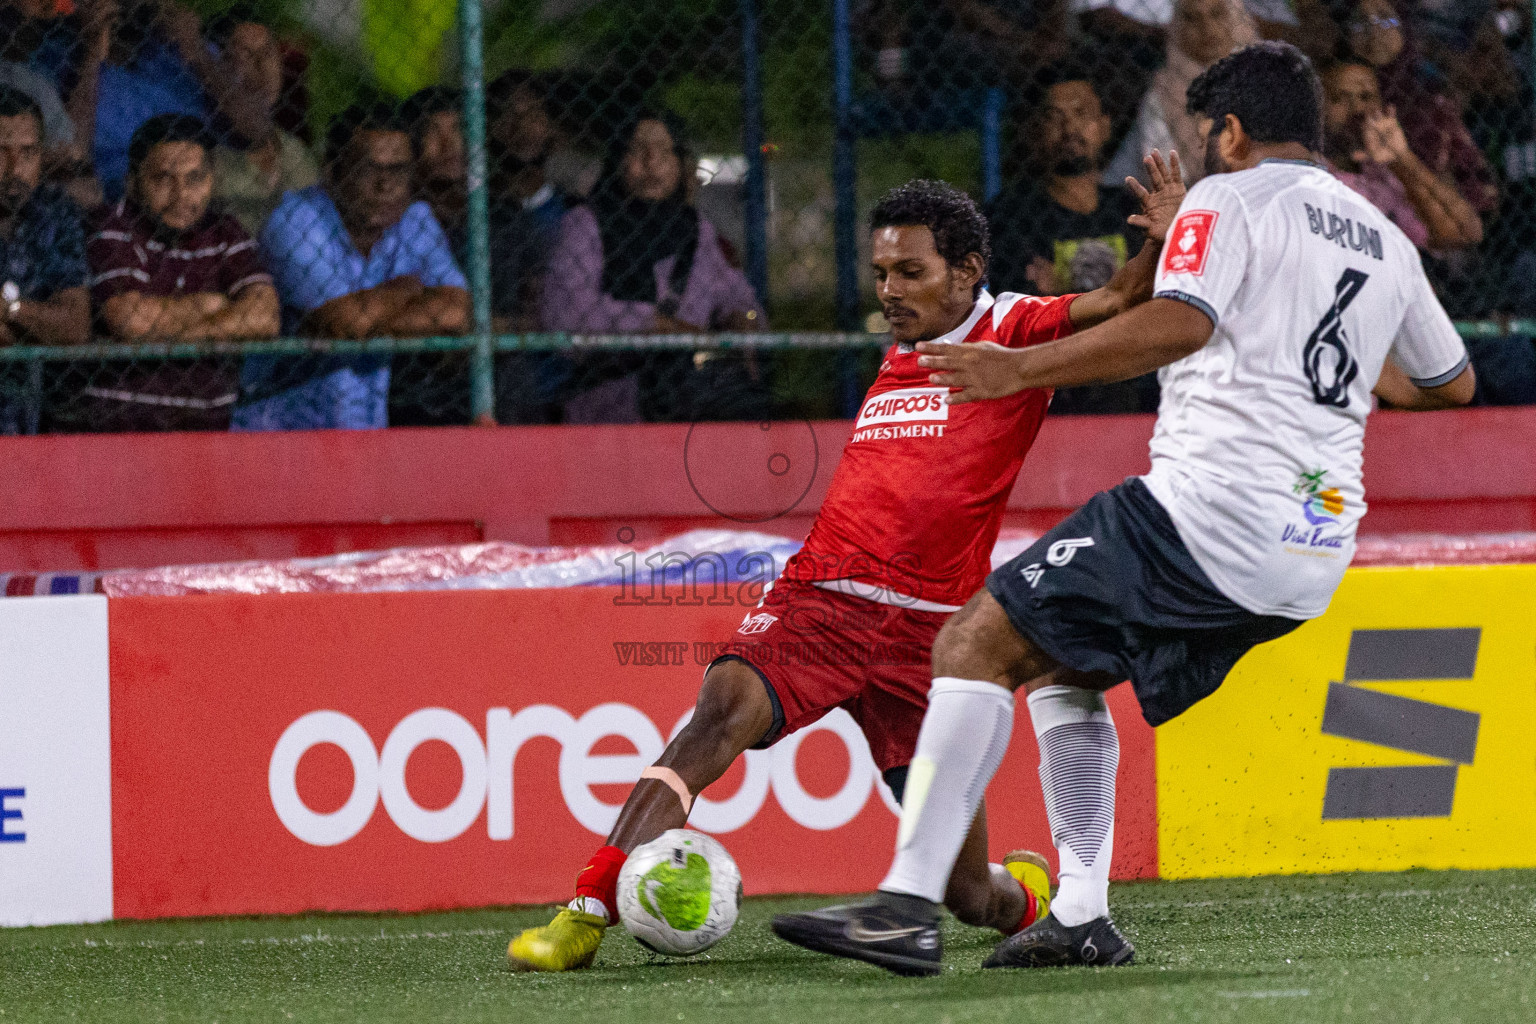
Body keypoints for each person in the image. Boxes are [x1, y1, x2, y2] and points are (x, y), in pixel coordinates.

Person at [773, 41, 1473, 975]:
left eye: (1202, 129)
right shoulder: (1381, 232)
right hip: (1312, 548)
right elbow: (1450, 381)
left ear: (1227, 132)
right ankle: (1081, 913)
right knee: (1060, 671)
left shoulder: (1227, 197)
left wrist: (1016, 368)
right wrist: (1325, 373)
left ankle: (904, 905)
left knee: (971, 643)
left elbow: (1180, 323)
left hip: (1205, 514)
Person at [506, 159, 1189, 973]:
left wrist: (1164, 235)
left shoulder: (1010, 327)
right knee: (718, 714)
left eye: (911, 272)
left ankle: (1035, 904)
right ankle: (582, 913)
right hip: (823, 599)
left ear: (967, 271)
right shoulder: (903, 346)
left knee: (968, 897)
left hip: (937, 640)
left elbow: (1116, 303)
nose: (890, 291)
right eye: (880, 273)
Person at [233, 100, 468, 431]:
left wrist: (369, 315)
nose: (386, 186)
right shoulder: (295, 219)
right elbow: (342, 326)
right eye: (369, 170)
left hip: (365, 432)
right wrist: (407, 290)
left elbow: (458, 312)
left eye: (398, 170)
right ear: (332, 171)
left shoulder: (415, 219)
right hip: (278, 433)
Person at [539, 111, 764, 423]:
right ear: (618, 160)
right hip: (610, 395)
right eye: (637, 149)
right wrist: (656, 326)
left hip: (689, 389)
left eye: (664, 151)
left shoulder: (695, 230)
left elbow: (738, 295)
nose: (651, 161)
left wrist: (743, 318)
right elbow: (565, 313)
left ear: (679, 163)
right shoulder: (584, 224)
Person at [62, 113, 277, 432]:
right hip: (115, 428)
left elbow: (265, 317)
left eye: (194, 179)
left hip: (204, 430)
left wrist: (184, 335)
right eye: (163, 179)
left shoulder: (225, 231)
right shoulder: (111, 226)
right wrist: (216, 307)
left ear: (211, 180)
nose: (181, 196)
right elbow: (130, 320)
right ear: (132, 182)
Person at [988, 68, 1157, 413]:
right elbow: (1028, 313)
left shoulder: (1132, 208)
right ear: (1036, 133)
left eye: (1082, 114)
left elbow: (1154, 298)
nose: (1070, 129)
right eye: (1055, 117)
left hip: (1131, 375)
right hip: (1051, 382)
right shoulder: (1010, 215)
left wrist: (1061, 288)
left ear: (1105, 126)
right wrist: (1122, 290)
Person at [71, 0, 274, 201]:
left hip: (210, 195)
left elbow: (258, 130)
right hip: (123, 202)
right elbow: (73, 155)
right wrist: (92, 52)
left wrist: (197, 51)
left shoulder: (182, 48)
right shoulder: (67, 65)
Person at [0, 85, 88, 434]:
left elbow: (75, 326)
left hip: (32, 417)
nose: (14, 168)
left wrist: (11, 309)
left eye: (28, 152)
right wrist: (38, 325)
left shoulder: (55, 212)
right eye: (1, 151)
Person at [1321, 60, 1482, 251]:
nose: (1356, 109)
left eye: (1366, 97)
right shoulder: (1311, 171)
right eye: (1340, 98)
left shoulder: (1386, 172)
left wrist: (1402, 158)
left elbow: (1466, 233)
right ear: (1320, 108)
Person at [1104, 0, 1258, 188]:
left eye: (1217, 14)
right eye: (1191, 18)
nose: (1206, 28)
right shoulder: (1163, 95)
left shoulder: (1264, 83)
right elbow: (1165, 183)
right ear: (1177, 27)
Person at [206, 7, 318, 236]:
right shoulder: (207, 153)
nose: (262, 67)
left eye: (268, 53)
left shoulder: (294, 150)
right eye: (245, 55)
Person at [402, 85, 464, 248]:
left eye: (456, 129)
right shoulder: (397, 219)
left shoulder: (494, 214)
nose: (448, 145)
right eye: (434, 132)